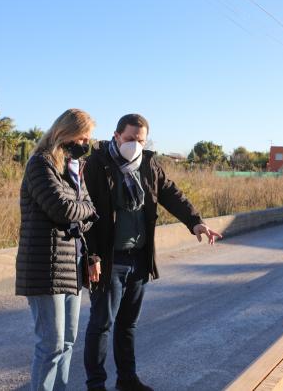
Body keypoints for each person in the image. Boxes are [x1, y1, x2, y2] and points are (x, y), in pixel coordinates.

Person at [83, 113, 222, 391]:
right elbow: (85, 211)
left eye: (140, 140)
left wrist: (195, 222)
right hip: (110, 259)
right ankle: (96, 384)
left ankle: (127, 379)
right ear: (116, 136)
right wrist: (91, 255)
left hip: (139, 257)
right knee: (102, 324)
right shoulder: (97, 165)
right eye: (130, 139)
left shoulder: (147, 164)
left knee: (127, 325)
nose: (135, 145)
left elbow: (171, 193)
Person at [15, 108, 99, 391]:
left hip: (70, 266)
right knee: (50, 344)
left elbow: (86, 214)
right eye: (83, 137)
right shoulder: (40, 165)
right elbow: (62, 209)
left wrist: (83, 213)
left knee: (67, 342)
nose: (85, 143)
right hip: (43, 267)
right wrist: (85, 211)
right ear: (66, 132)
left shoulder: (72, 169)